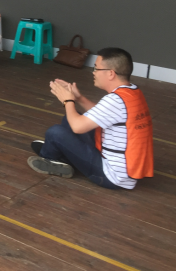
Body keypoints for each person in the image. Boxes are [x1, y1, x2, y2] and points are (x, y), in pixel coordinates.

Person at [28, 48, 154, 189]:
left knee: (55, 132)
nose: (93, 72)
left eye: (96, 68)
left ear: (110, 73)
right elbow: (101, 114)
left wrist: (68, 101)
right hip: (124, 169)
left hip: (111, 175)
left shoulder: (115, 101)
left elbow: (78, 127)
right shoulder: (132, 91)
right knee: (69, 120)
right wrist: (79, 98)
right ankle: (58, 149)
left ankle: (51, 157)